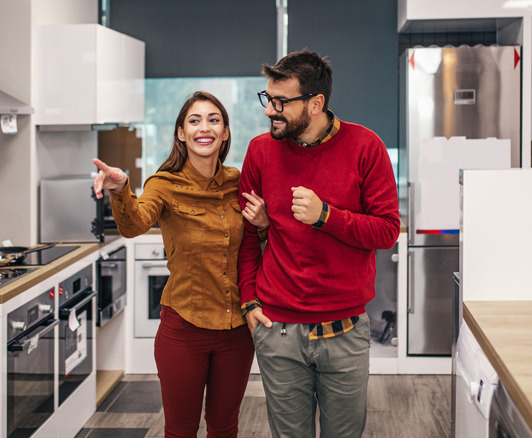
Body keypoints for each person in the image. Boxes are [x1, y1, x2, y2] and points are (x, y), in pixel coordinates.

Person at [237, 50, 401, 438]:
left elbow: (387, 230)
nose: (269, 111)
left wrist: (326, 215)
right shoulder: (260, 151)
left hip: (344, 331)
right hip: (277, 329)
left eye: (281, 103)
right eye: (267, 99)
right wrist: (249, 302)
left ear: (316, 103)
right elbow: (246, 235)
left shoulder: (366, 146)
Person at [92, 91, 268, 438]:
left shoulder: (240, 182)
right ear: (181, 133)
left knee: (225, 426)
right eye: (195, 120)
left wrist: (263, 224)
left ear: (226, 132)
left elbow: (253, 246)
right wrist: (121, 188)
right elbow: (134, 225)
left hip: (236, 330)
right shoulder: (164, 184)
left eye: (214, 119)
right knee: (180, 430)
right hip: (184, 329)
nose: (205, 127)